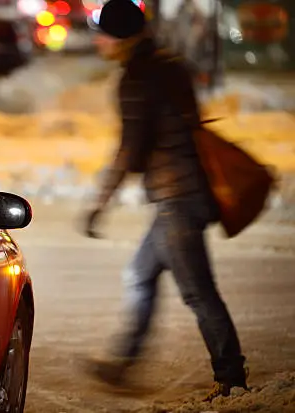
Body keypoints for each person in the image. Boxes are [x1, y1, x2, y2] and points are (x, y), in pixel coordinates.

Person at [85, 0, 249, 401]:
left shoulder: (136, 78)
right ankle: (124, 361)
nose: (99, 43)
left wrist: (100, 201)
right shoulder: (169, 64)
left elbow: (131, 150)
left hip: (178, 196)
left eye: (103, 34)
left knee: (197, 291)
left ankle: (231, 377)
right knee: (140, 274)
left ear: (118, 38)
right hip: (189, 189)